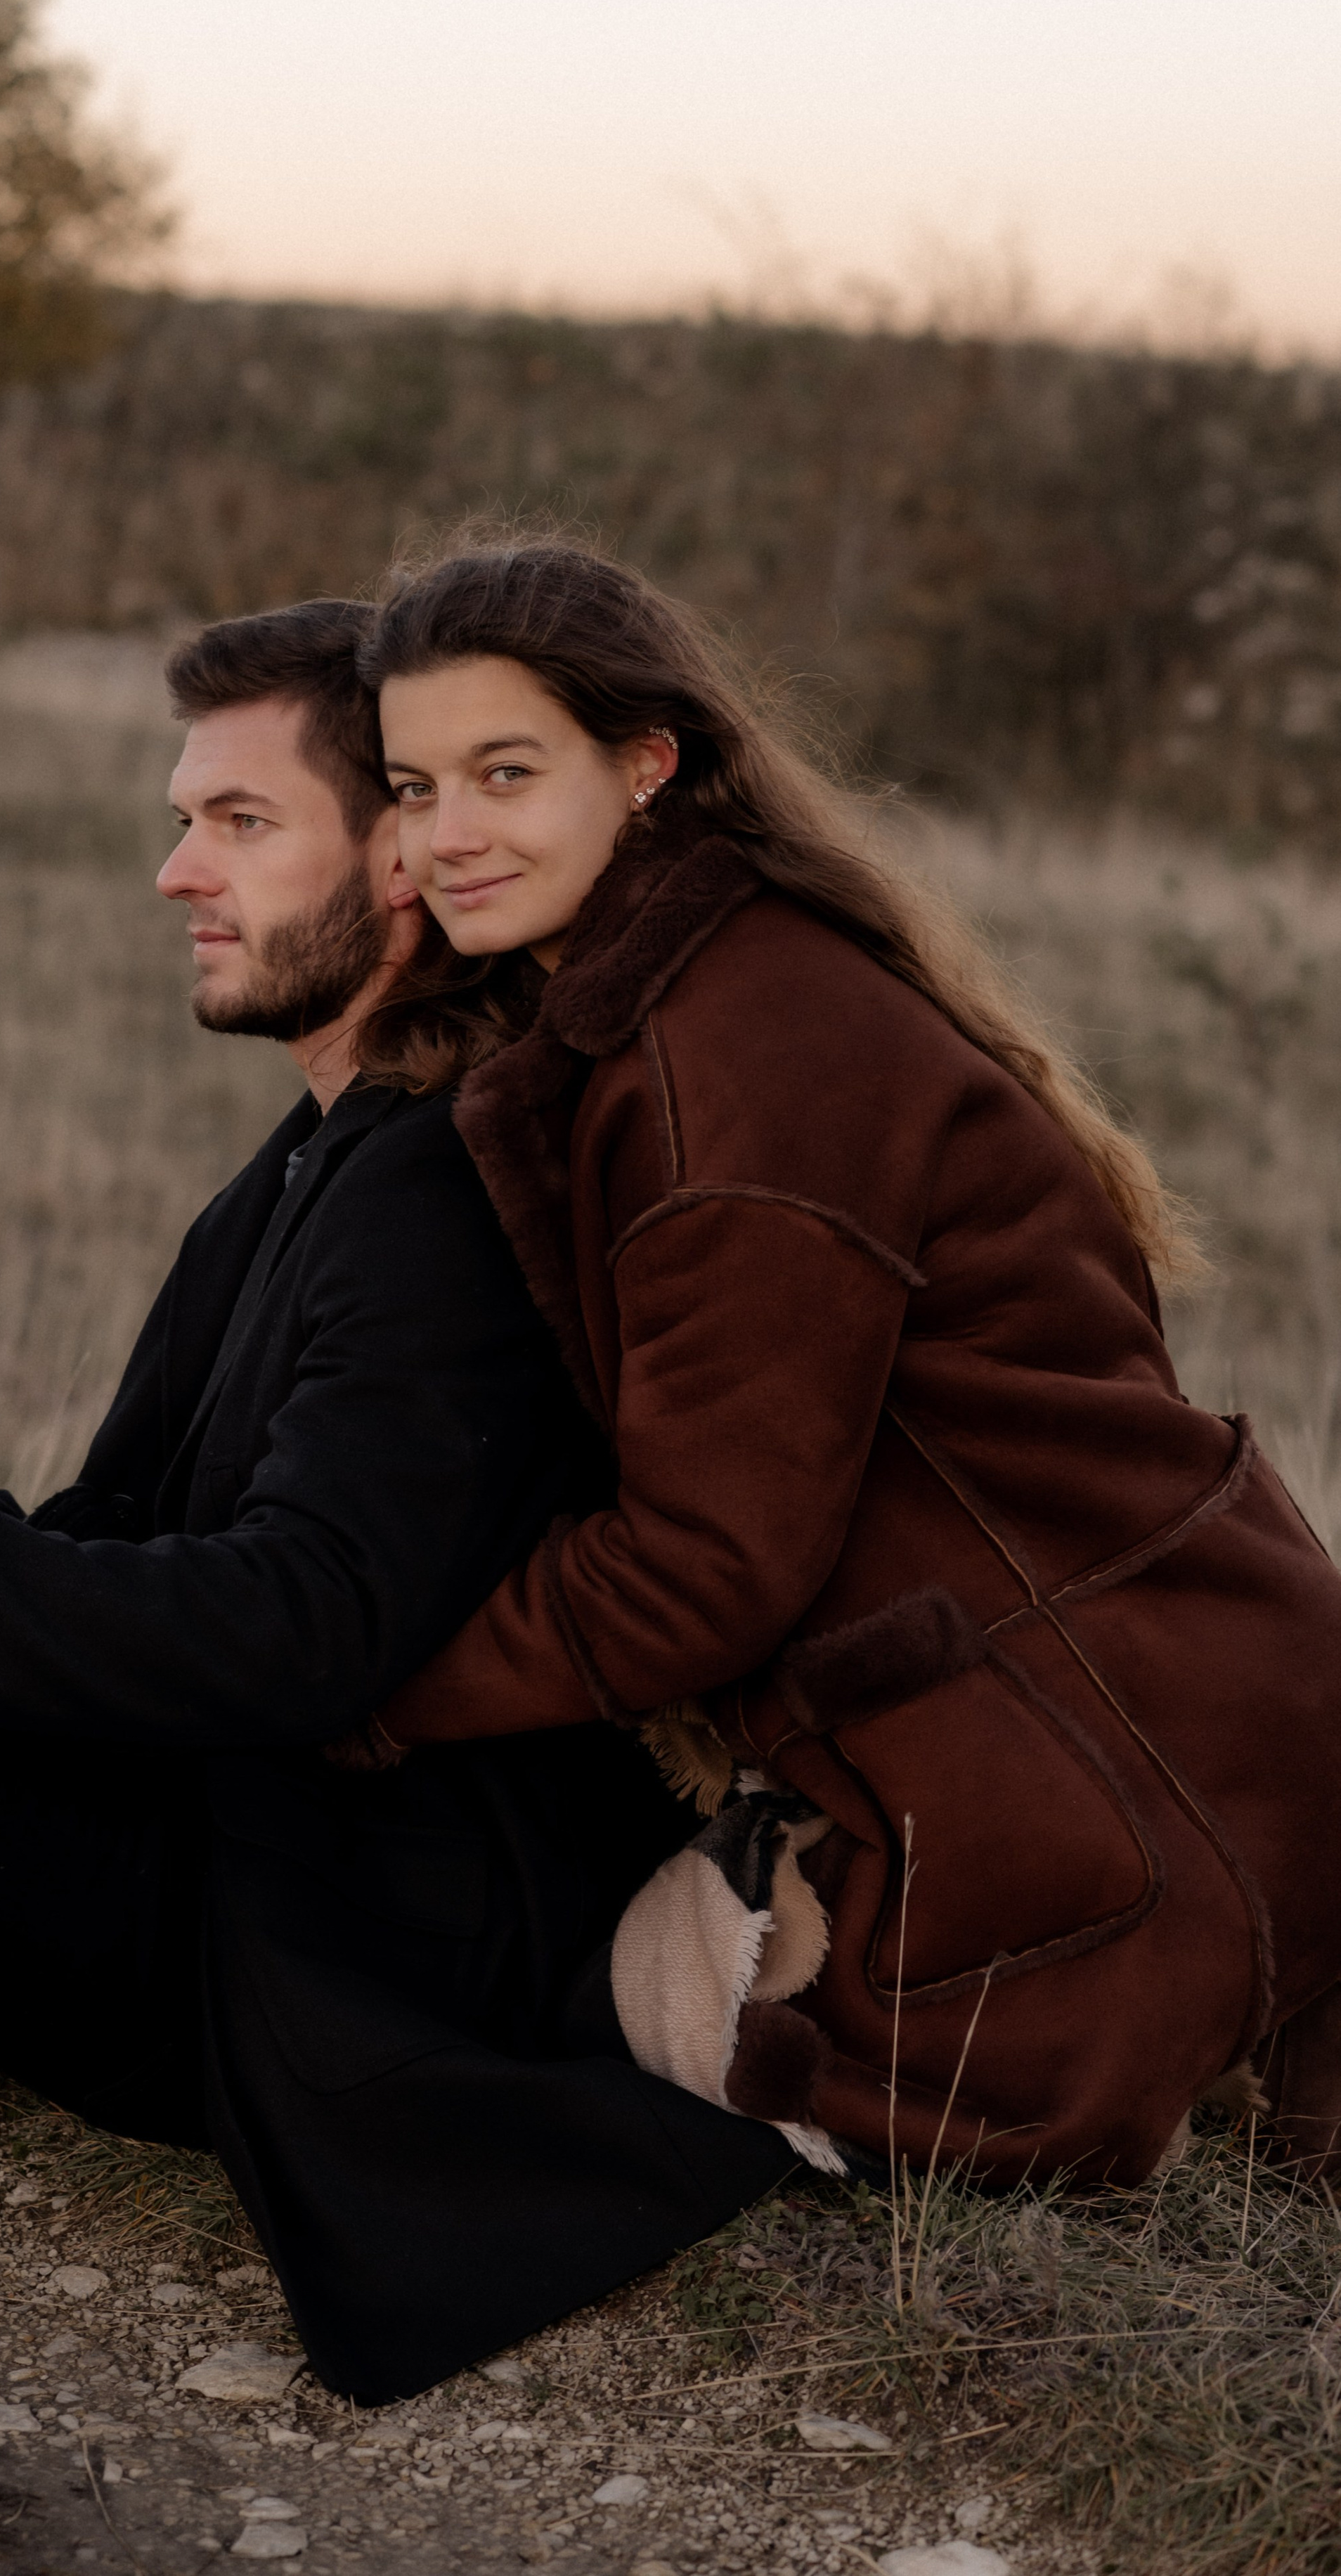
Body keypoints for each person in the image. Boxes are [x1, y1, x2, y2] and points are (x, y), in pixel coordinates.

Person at [0, 598, 797, 2405]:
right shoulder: (322, 1150)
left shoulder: (445, 1186)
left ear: (396, 860)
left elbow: (305, 1626)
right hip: (192, 1837)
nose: (172, 872)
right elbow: (138, 1536)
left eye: (234, 822)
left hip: (280, 1941)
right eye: (179, 817)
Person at [351, 537, 1341, 2189]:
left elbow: (699, 1572)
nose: (444, 835)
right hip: (1194, 1701)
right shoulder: (715, 978)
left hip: (1118, 1774)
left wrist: (349, 1683)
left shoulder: (733, 1061)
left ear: (645, 766)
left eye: (502, 772)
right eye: (409, 783)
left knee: (578, 2026)